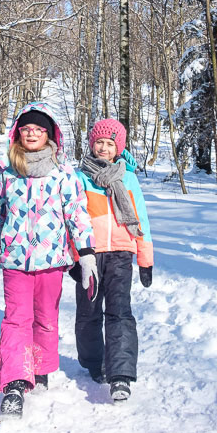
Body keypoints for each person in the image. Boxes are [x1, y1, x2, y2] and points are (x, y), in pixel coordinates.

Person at [0, 102, 97, 417]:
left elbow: (77, 214)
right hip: (15, 261)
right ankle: (15, 383)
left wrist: (86, 253)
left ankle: (42, 367)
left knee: (45, 319)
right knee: (16, 319)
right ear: (18, 133)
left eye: (38, 129)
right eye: (26, 128)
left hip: (52, 260)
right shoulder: (7, 173)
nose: (31, 133)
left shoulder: (64, 174)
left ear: (49, 135)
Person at [72, 118, 154, 402]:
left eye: (110, 143)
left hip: (121, 253)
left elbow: (140, 218)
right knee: (88, 314)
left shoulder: (128, 178)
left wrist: (145, 258)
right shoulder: (79, 177)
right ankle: (95, 363)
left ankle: (120, 375)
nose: (104, 148)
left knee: (120, 312)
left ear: (118, 147)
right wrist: (74, 257)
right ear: (91, 144)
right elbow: (71, 219)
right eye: (99, 143)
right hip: (89, 256)